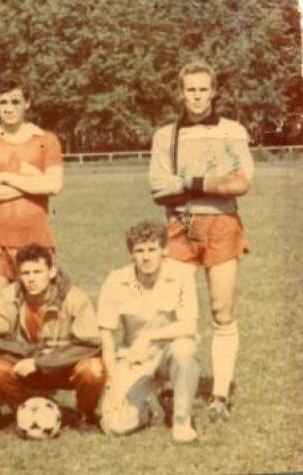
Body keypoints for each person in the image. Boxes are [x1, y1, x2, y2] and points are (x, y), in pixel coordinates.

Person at [148, 60, 253, 421]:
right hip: (180, 225)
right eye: (190, 89)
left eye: (202, 89)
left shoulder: (232, 131)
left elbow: (240, 183)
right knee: (173, 308)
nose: (196, 96)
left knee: (222, 310)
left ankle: (220, 395)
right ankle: (169, 385)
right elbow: (159, 190)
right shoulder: (166, 135)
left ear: (214, 91)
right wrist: (214, 182)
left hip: (222, 224)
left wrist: (187, 183)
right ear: (181, 92)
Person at [97, 221, 200, 443]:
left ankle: (182, 421)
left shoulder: (182, 274)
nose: (146, 257)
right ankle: (152, 404)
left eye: (152, 249)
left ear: (164, 250)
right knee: (115, 426)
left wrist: (148, 337)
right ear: (131, 254)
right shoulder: (117, 280)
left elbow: (189, 325)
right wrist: (114, 383)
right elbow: (106, 338)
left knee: (185, 349)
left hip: (168, 352)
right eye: (139, 251)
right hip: (134, 359)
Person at [0, 244, 105, 429]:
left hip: (65, 367)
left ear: (52, 272)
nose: (31, 279)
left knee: (93, 369)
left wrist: (42, 362)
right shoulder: (9, 296)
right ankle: (26, 413)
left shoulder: (74, 298)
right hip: (25, 365)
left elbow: (90, 344)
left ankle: (84, 415)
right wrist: (32, 355)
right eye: (26, 273)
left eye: (38, 272)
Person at [0, 76, 64, 309]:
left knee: (37, 309)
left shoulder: (46, 140)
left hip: (36, 239)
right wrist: (33, 182)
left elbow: (54, 185)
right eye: (3, 102)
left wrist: (4, 177)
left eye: (15, 101)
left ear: (27, 103)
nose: (9, 108)